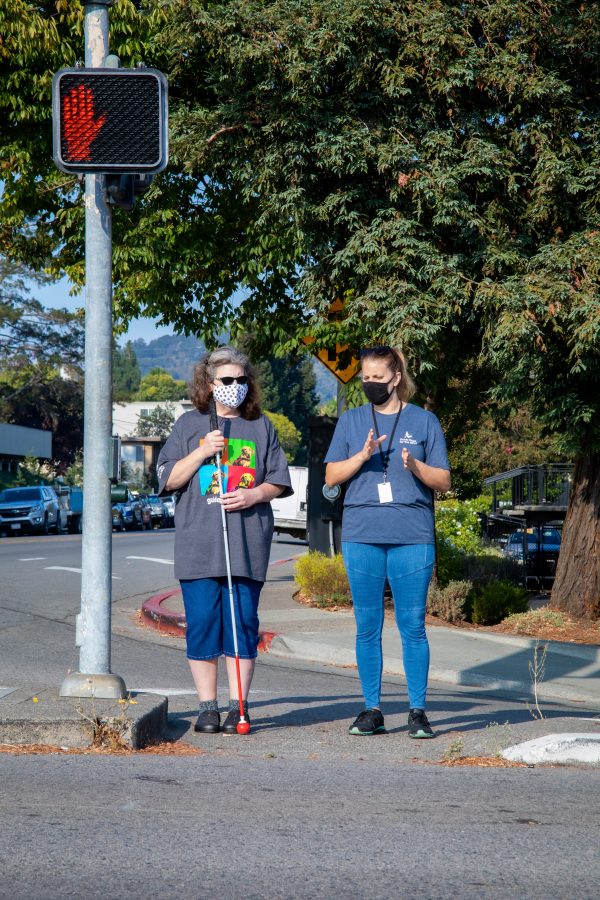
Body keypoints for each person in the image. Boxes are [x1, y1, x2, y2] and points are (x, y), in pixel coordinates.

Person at [157, 346, 292, 735]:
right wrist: (202, 451)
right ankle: (208, 707)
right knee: (202, 625)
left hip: (246, 546)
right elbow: (168, 479)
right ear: (209, 384)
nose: (235, 386)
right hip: (199, 545)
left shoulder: (261, 426)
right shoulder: (188, 425)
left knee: (243, 626)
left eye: (240, 380)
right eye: (226, 380)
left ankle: (239, 707)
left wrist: (253, 495)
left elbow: (279, 481)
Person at [324, 345, 450, 738]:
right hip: (363, 535)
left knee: (412, 624)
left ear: (396, 378)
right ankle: (371, 710)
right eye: (365, 377)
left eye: (378, 377)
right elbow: (331, 477)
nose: (370, 384)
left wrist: (416, 466)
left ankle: (417, 712)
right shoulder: (350, 421)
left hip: (412, 536)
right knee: (367, 625)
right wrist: (361, 456)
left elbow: (443, 482)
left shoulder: (424, 421)